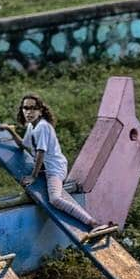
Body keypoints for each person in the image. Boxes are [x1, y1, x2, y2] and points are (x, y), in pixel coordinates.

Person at [13, 93, 114, 238]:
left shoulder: (42, 127)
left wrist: (33, 177)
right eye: (25, 108)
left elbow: (41, 152)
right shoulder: (31, 126)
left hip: (54, 168)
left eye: (33, 108)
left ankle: (93, 223)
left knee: (55, 199)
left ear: (40, 110)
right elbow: (24, 145)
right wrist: (10, 131)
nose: (28, 112)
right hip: (45, 168)